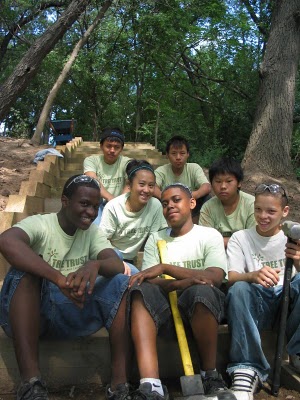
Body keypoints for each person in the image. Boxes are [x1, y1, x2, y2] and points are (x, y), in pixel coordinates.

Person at [0, 174, 133, 400]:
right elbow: (6, 241)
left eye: (95, 206)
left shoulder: (91, 232)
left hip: (72, 309)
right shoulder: (41, 223)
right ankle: (31, 384)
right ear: (64, 201)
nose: (91, 212)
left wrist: (96, 264)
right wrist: (58, 279)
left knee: (121, 283)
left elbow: (116, 263)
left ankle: (119, 385)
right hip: (34, 311)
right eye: (84, 204)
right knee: (23, 272)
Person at [128, 183, 230, 400]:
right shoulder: (156, 239)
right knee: (140, 291)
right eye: (164, 204)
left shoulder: (209, 235)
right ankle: (151, 385)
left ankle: (210, 375)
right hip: (165, 312)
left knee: (201, 292)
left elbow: (214, 277)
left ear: (192, 203)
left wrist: (167, 268)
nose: (170, 207)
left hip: (203, 310)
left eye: (176, 200)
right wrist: (179, 283)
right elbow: (150, 280)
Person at [225, 183, 300, 400]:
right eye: (258, 209)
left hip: (288, 306)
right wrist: (252, 275)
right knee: (239, 288)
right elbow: (232, 278)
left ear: (284, 212)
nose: (263, 216)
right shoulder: (241, 238)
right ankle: (246, 368)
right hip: (256, 304)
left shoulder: (293, 238)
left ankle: (296, 352)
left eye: (271, 211)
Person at [100, 160, 167, 270]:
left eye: (151, 186)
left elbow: (154, 239)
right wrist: (118, 264)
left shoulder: (155, 206)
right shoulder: (113, 207)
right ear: (129, 185)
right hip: (111, 257)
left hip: (131, 260)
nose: (146, 190)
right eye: (141, 184)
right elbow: (102, 242)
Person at [199, 158, 256, 248]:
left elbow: (254, 240)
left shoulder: (252, 204)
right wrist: (239, 242)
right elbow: (205, 242)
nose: (223, 186)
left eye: (229, 181)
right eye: (218, 181)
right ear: (211, 183)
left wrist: (219, 242)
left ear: (239, 183)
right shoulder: (207, 208)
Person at [154, 136, 211, 224]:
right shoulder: (161, 171)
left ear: (188, 154)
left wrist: (188, 196)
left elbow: (206, 186)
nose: (178, 157)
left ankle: (198, 224)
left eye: (182, 153)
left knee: (207, 198)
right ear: (167, 155)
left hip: (189, 206)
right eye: (173, 153)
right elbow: (153, 187)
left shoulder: (193, 168)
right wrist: (171, 199)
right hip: (169, 208)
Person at [83, 127, 131, 225]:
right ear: (101, 146)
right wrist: (110, 198)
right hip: (96, 203)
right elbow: (93, 181)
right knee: (97, 227)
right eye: (108, 146)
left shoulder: (127, 162)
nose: (112, 150)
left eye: (116, 147)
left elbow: (129, 183)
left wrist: (118, 203)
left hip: (121, 203)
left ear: (121, 149)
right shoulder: (91, 160)